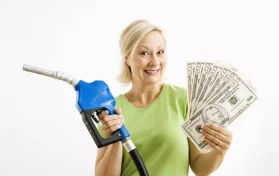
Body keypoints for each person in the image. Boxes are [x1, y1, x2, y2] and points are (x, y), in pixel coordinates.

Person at [95, 19, 233, 176]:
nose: (154, 62)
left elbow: (200, 168)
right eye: (144, 53)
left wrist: (219, 151)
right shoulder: (112, 110)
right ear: (127, 57)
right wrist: (115, 138)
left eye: (160, 52)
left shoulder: (183, 100)